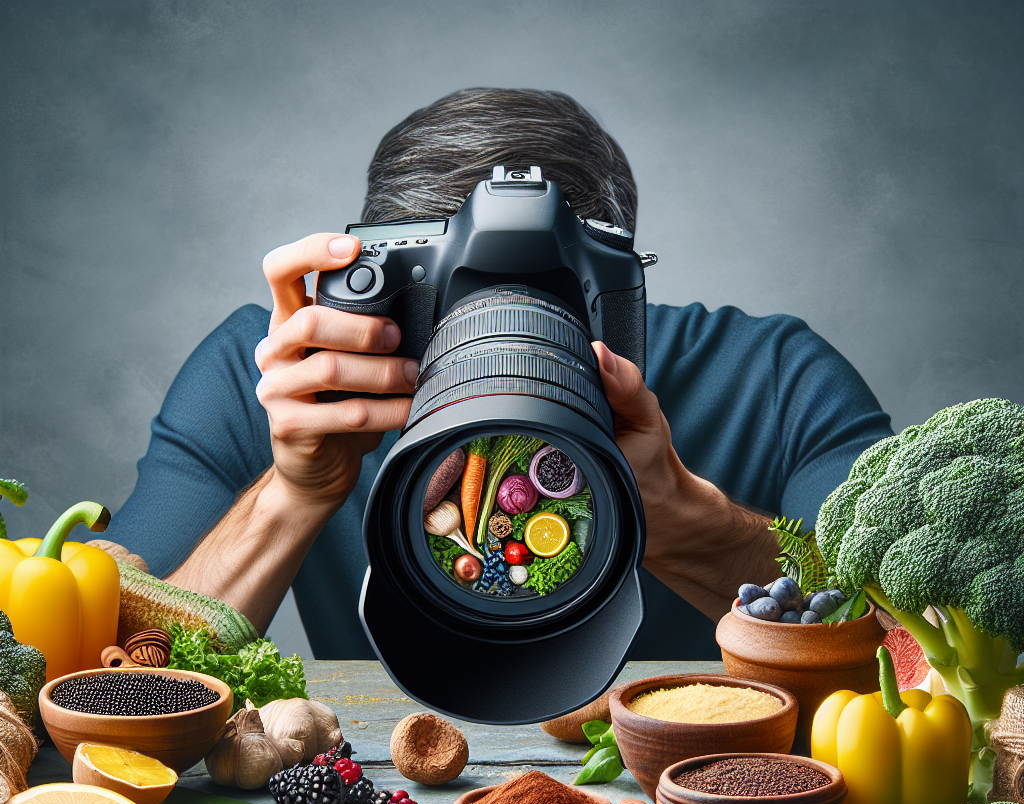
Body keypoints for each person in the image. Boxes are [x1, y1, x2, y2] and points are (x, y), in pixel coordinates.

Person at [104, 88, 891, 660]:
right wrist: (294, 493)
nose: (497, 329)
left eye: (548, 288)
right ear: (376, 277)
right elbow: (104, 680)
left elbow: (923, 669)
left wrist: (688, 521)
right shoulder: (289, 377)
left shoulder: (775, 377)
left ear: (622, 276)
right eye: (446, 294)